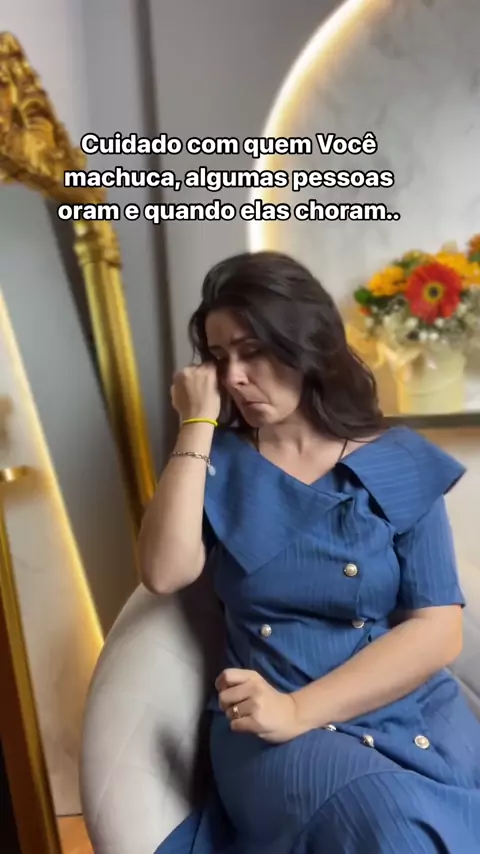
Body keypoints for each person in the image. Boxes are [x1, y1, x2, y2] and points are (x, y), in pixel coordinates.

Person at [139, 250, 480, 854]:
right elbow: (164, 572)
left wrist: (302, 707)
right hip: (270, 728)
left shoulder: (397, 460)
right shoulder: (216, 463)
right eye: (219, 358)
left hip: (402, 709)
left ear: (306, 344)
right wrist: (195, 425)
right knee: (392, 826)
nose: (234, 377)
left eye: (252, 351)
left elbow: (438, 629)